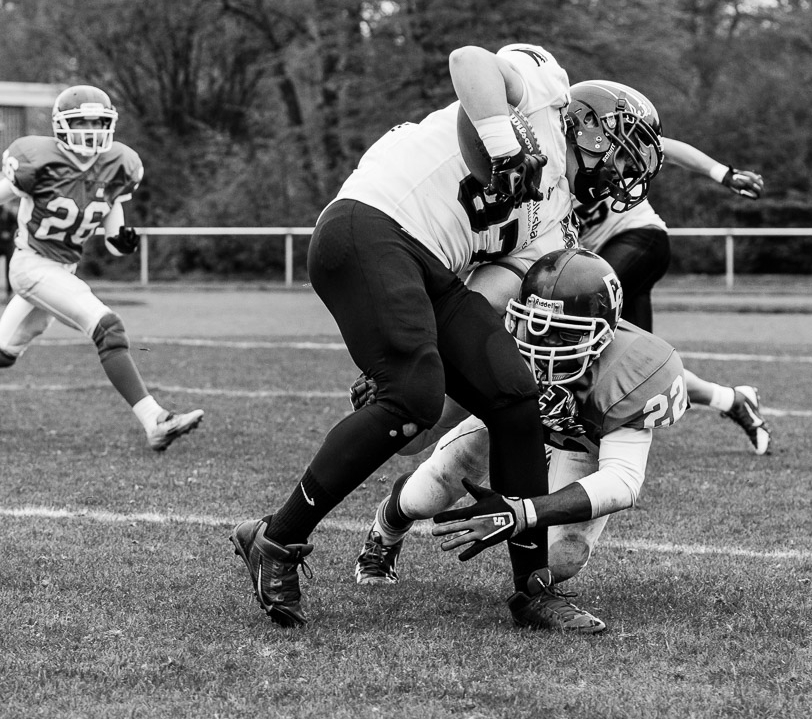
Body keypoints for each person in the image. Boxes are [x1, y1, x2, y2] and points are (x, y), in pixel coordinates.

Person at [230, 43, 663, 633]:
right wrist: (507, 145)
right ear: (596, 135)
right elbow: (469, 61)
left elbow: (490, 292)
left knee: (515, 400)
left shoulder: (557, 218)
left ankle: (531, 590)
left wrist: (418, 342)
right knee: (412, 397)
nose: (624, 179)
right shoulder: (546, 94)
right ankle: (277, 541)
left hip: (431, 270)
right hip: (370, 221)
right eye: (626, 159)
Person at [355, 249, 688, 626]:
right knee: (426, 496)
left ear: (605, 331)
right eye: (536, 324)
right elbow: (414, 439)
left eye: (564, 332)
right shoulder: (503, 342)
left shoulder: (634, 368)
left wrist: (522, 513)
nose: (543, 342)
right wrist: (393, 404)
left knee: (562, 558)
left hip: (582, 444)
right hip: (513, 422)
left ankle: (536, 587)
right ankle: (387, 527)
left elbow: (623, 481)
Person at [0, 85, 204, 450]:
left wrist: (120, 241)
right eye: (81, 122)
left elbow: (113, 226)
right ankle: (155, 420)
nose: (91, 131)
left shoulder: (119, 164)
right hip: (32, 265)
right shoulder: (37, 159)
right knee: (108, 327)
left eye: (98, 123)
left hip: (62, 269)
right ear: (61, 127)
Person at [573, 118, 773, 454]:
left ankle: (567, 431)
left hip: (638, 237)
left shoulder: (582, 141)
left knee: (581, 307)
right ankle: (733, 400)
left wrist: (723, 173)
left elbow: (663, 146)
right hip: (601, 258)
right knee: (638, 367)